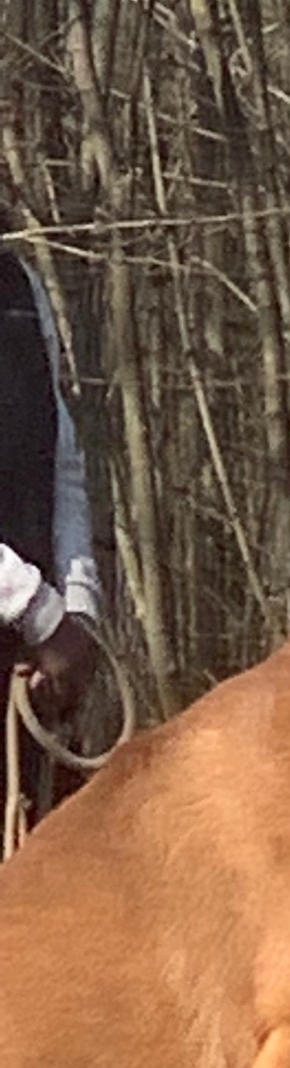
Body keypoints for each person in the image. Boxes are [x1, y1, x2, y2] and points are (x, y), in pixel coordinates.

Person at [0, 234, 103, 739]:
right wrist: (37, 611)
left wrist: (79, 606)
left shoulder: (19, 286)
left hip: (29, 670)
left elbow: (61, 461)